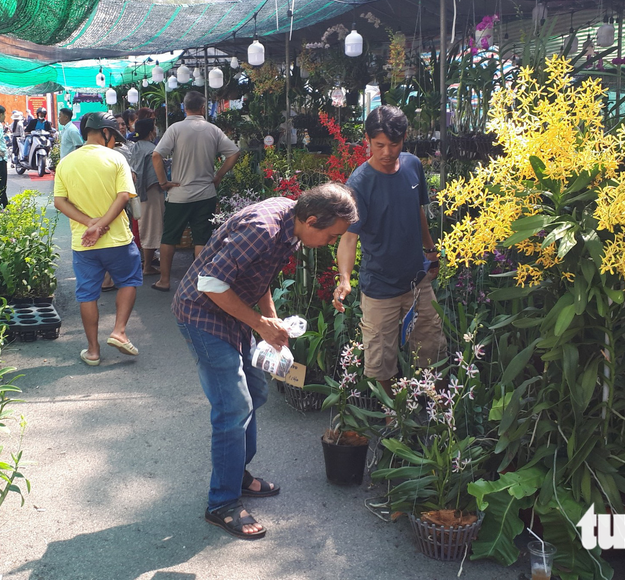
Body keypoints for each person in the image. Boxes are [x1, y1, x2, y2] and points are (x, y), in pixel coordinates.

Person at [174, 183, 358, 540]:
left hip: (234, 315)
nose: (332, 243)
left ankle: (236, 474)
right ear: (312, 219)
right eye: (332, 236)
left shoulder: (292, 223)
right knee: (233, 408)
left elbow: (258, 276)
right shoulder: (262, 228)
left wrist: (269, 326)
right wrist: (259, 323)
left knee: (256, 391)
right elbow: (209, 282)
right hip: (202, 316)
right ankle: (221, 503)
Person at [333, 105, 444, 394]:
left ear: (404, 138)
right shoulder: (359, 184)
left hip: (417, 279)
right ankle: (394, 413)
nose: (386, 152)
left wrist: (430, 249)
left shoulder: (412, 165)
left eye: (393, 144)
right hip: (379, 285)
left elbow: (418, 211)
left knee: (431, 345)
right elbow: (348, 238)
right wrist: (345, 278)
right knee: (380, 359)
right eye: (379, 144)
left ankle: (433, 407)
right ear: (367, 141)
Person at [53, 112, 144, 367]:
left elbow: (59, 202)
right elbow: (124, 196)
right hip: (118, 241)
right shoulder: (115, 158)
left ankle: (93, 351)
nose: (115, 142)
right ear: (105, 133)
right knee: (128, 281)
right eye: (114, 136)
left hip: (84, 244)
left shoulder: (67, 162)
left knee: (87, 295)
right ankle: (119, 331)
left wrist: (89, 224)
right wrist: (102, 224)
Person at [152, 91, 241, 292]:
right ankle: (197, 281)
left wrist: (163, 182)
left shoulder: (175, 129)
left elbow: (156, 156)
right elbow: (234, 152)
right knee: (201, 237)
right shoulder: (213, 130)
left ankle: (164, 280)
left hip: (179, 195)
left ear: (185, 108)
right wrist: (218, 175)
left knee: (169, 237)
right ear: (202, 108)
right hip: (206, 194)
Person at [129, 118, 163, 275]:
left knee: (142, 228)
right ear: (151, 132)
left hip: (136, 194)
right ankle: (147, 266)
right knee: (151, 228)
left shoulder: (134, 147)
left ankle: (144, 263)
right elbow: (154, 177)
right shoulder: (152, 149)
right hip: (151, 193)